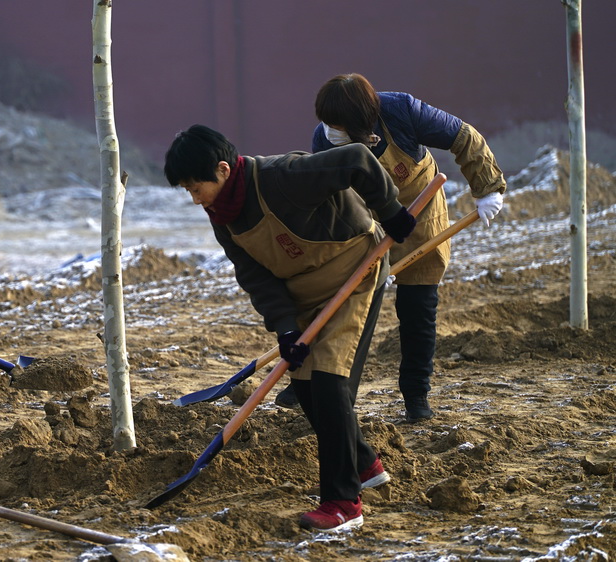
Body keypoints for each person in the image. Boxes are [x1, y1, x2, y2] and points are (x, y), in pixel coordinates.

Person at [164, 124, 414, 532]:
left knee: (330, 381)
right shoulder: (222, 216)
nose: (195, 200)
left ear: (223, 170)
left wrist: (391, 212)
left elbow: (356, 160)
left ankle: (343, 503)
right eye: (188, 192)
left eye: (196, 188)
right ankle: (363, 462)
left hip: (354, 272)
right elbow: (255, 275)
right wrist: (284, 329)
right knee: (304, 385)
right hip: (303, 294)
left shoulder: (283, 176)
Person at [274, 73, 507, 422]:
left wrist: (487, 188)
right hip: (365, 219)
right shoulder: (325, 141)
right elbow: (328, 206)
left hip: (420, 212)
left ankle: (416, 395)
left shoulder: (402, 110)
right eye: (327, 123)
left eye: (338, 125)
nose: (330, 131)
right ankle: (311, 380)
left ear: (362, 124)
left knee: (418, 309)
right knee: (341, 303)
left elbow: (464, 136)